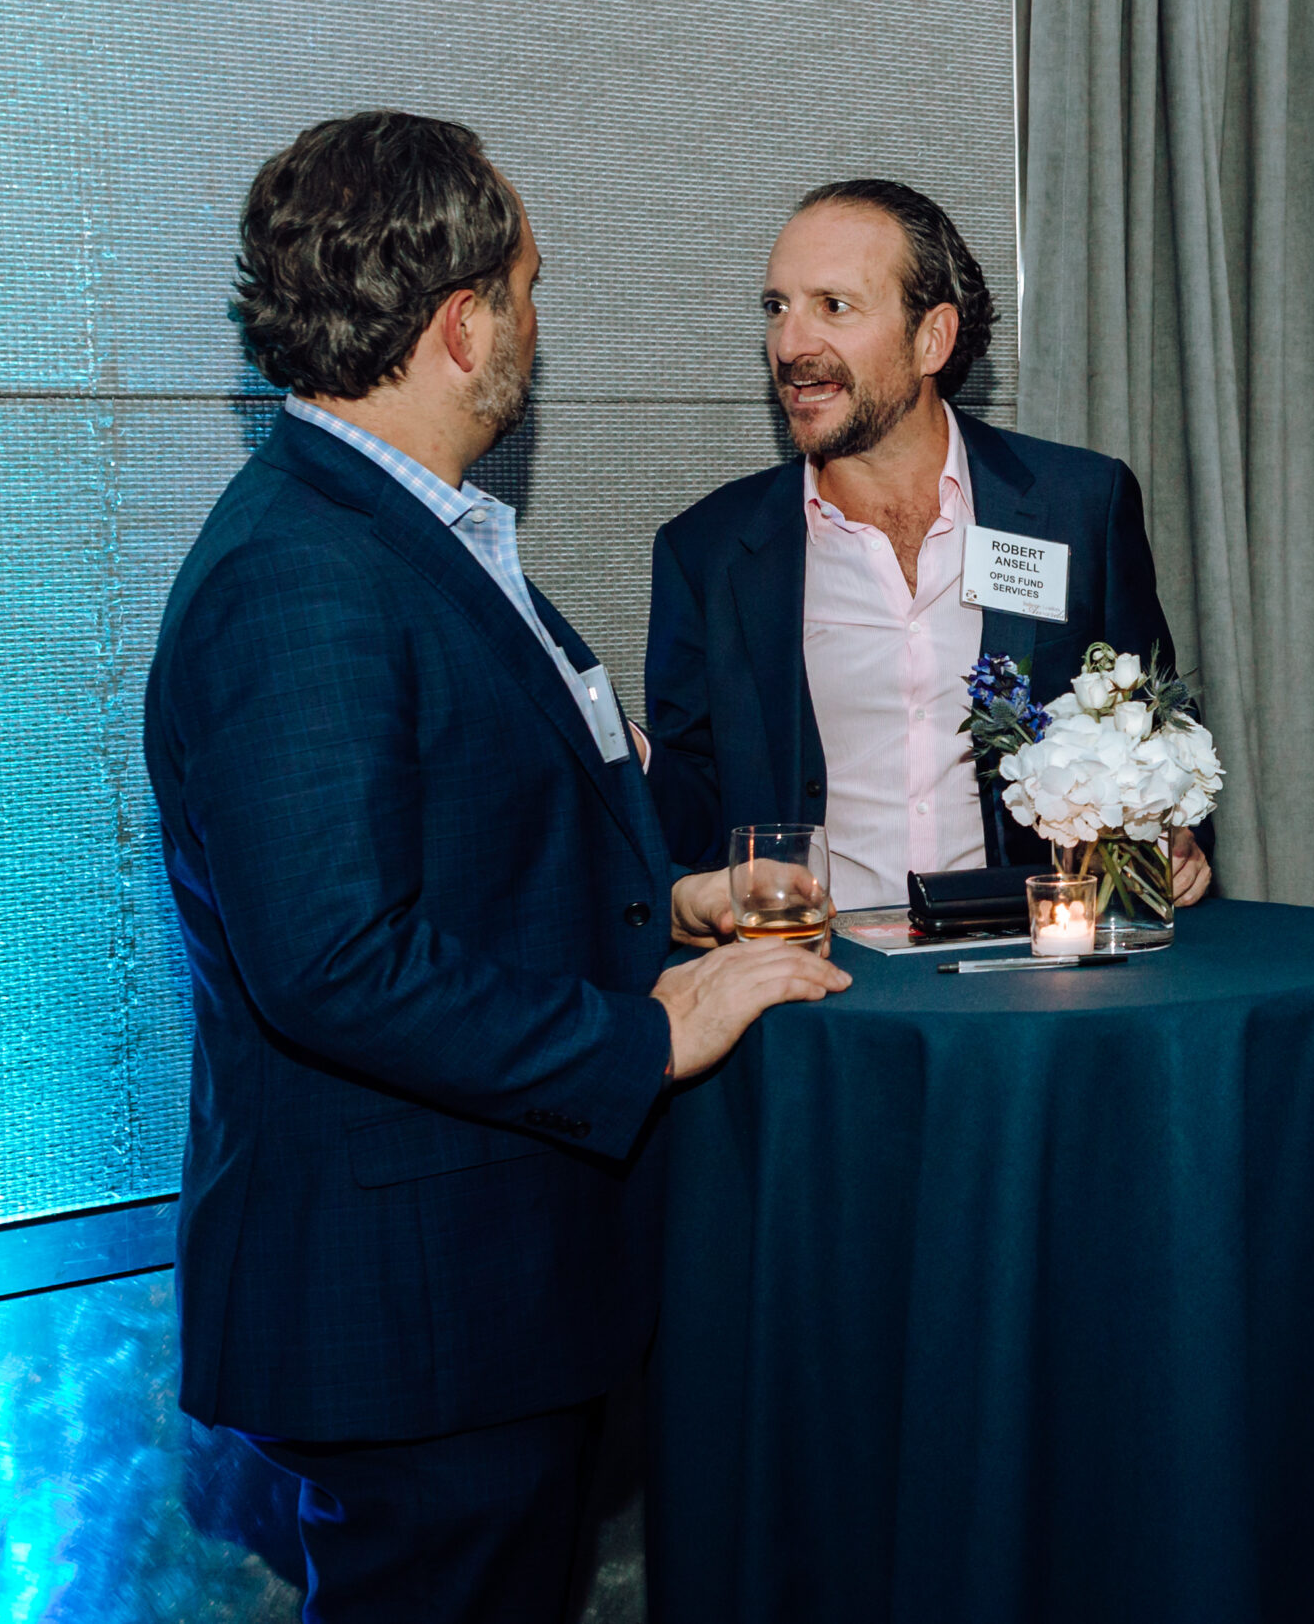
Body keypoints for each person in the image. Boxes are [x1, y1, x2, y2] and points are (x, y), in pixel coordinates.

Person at [144, 111, 847, 1622]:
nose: (540, 317)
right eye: (529, 287)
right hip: (416, 1310)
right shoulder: (300, 573)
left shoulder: (409, 529)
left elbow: (462, 838)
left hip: (480, 1287)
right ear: (463, 325)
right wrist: (648, 1029)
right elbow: (334, 959)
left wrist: (666, 894)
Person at [645, 180, 1209, 908]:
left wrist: (1172, 830)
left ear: (931, 338)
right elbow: (694, 808)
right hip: (820, 966)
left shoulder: (1077, 507)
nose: (789, 345)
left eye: (833, 306)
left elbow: (1152, 724)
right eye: (777, 307)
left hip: (1034, 952)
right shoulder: (709, 552)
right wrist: (628, 757)